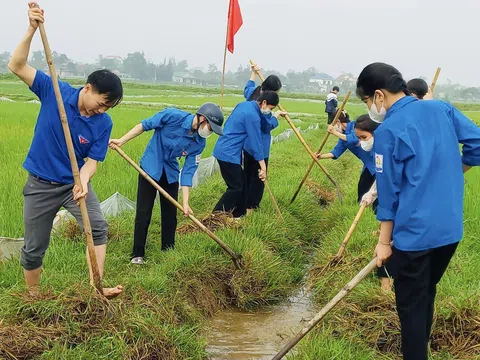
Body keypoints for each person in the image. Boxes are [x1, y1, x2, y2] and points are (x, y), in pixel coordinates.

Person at [356, 62, 480, 360]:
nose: (371, 108)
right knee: (425, 292)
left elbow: (389, 194)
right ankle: (421, 347)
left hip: (415, 234)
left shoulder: (388, 132)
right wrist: (453, 170)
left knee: (410, 306)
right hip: (449, 231)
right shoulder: (442, 110)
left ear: (378, 95)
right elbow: (477, 144)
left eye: (367, 102)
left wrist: (384, 243)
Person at [8, 2, 124, 298]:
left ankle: (96, 288)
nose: (102, 110)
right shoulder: (55, 91)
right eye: (102, 102)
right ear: (88, 88)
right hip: (40, 184)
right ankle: (33, 296)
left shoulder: (103, 123)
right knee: (34, 247)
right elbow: (17, 65)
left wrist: (83, 181)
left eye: (108, 108)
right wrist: (32, 29)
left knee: (98, 227)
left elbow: (93, 162)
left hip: (73, 184)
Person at [109, 103, 224, 265]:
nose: (209, 132)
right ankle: (137, 254)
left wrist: (185, 202)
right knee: (144, 211)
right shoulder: (172, 116)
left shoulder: (199, 143)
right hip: (150, 167)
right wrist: (122, 140)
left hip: (170, 173)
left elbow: (188, 171)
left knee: (170, 214)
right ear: (203, 119)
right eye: (210, 128)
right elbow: (144, 125)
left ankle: (168, 251)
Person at [315, 111, 391, 290]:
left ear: (341, 123)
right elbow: (336, 152)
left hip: (377, 166)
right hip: (369, 166)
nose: (361, 140)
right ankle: (374, 221)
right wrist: (320, 156)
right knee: (362, 192)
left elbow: (349, 139)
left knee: (380, 202)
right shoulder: (351, 134)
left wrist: (335, 132)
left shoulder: (357, 129)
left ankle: (381, 228)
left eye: (363, 137)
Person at [213, 91, 284, 218]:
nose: (270, 111)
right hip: (228, 153)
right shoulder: (252, 116)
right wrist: (263, 166)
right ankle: (216, 216)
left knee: (243, 184)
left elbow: (265, 125)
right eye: (271, 108)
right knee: (236, 187)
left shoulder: (245, 105)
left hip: (225, 149)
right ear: (264, 103)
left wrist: (275, 117)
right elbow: (256, 143)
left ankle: (238, 214)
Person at [243, 65, 283, 213]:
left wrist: (253, 73)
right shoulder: (264, 108)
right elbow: (266, 126)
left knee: (247, 175)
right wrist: (276, 116)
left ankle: (244, 203)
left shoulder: (253, 94)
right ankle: (251, 208)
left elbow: (247, 87)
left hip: (247, 145)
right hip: (260, 147)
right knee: (258, 179)